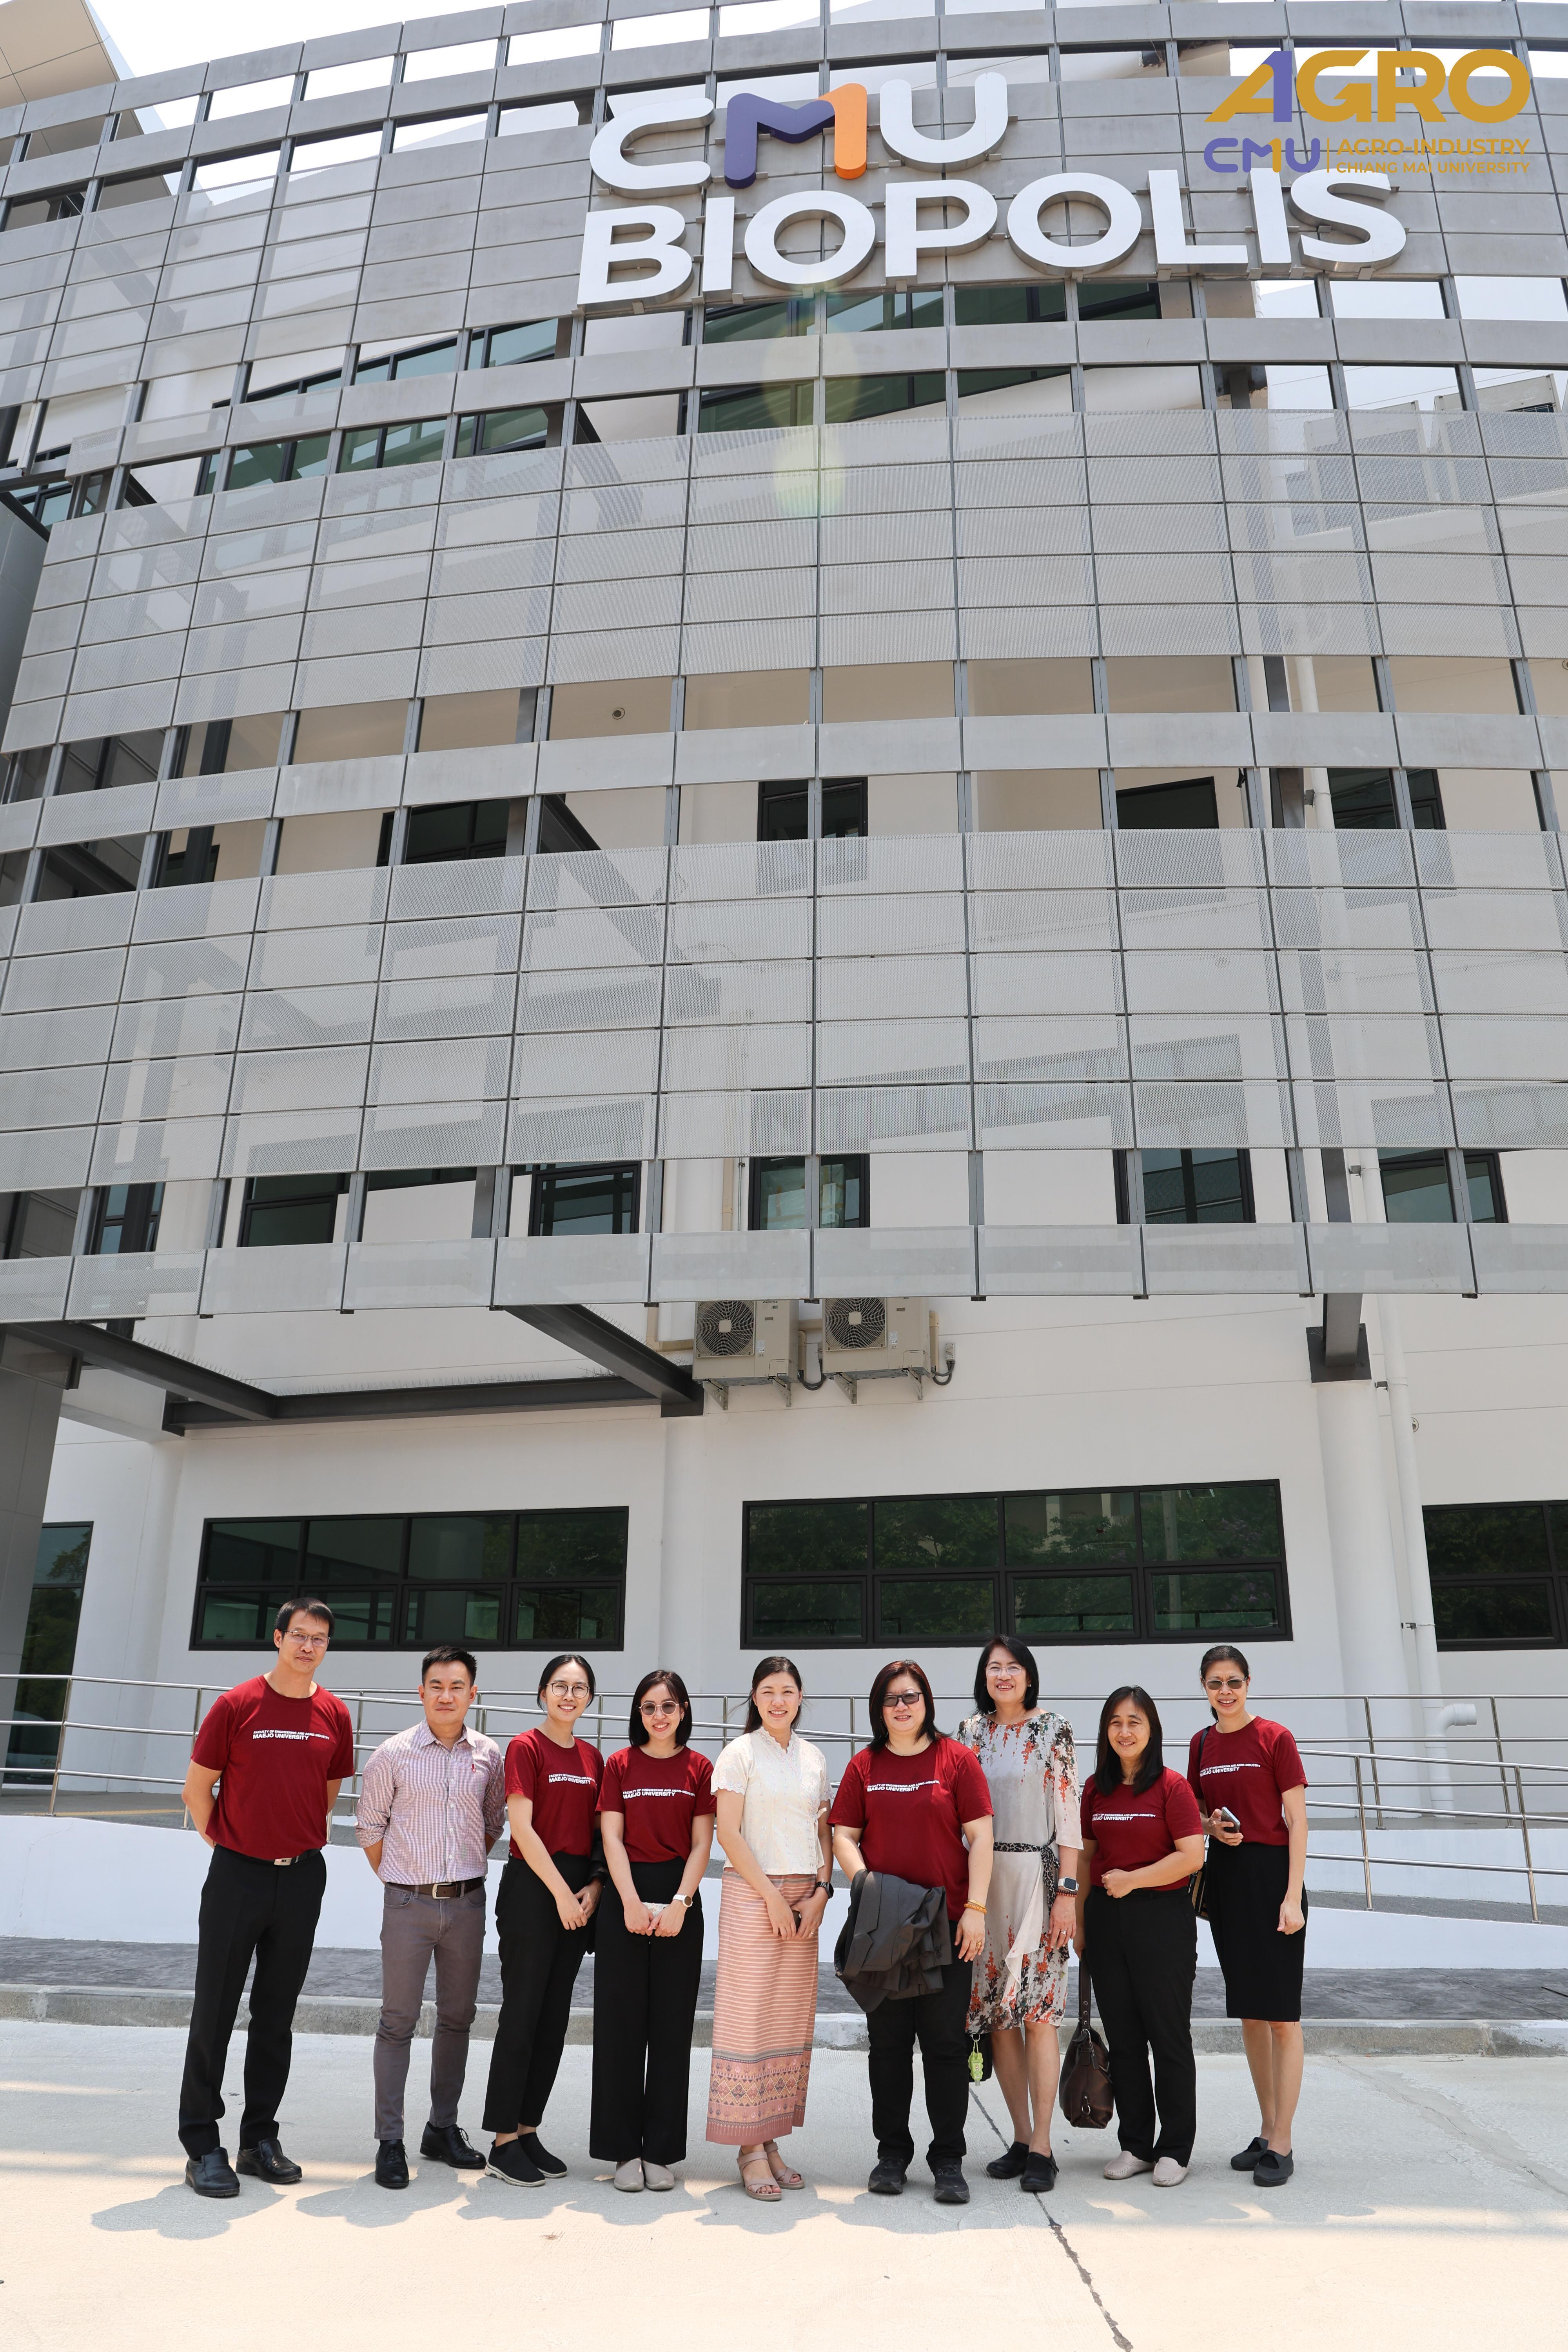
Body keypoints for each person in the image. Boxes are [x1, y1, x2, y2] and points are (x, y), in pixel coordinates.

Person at [177, 1598, 355, 2197]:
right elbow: (197, 1790)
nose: (308, 1647)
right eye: (299, 1635)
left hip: (301, 1877)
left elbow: (326, 1791)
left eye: (319, 1638)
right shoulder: (237, 1705)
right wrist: (232, 1844)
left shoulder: (335, 1713)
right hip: (238, 1877)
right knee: (215, 2011)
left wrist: (285, 1843)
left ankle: (259, 2140)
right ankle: (202, 2144)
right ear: (278, 1638)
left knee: (276, 2016)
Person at [831, 1658, 994, 2207]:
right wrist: (868, 1887)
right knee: (889, 2047)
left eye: (911, 1697)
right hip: (885, 1929)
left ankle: (948, 2160)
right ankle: (892, 2156)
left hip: (947, 1925)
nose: (902, 1707)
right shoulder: (864, 1766)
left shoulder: (957, 1760)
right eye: (891, 1699)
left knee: (945, 2047)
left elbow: (982, 1837)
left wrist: (976, 1908)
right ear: (879, 1709)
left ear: (927, 1701)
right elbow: (844, 1835)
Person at [355, 1643, 506, 2189]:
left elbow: (492, 1822)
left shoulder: (488, 1755)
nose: (447, 1695)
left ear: (473, 1694)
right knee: (397, 2021)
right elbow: (369, 1828)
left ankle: (442, 2128)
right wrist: (403, 1879)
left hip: (466, 1904)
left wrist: (456, 1876)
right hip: (407, 1904)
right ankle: (389, 2141)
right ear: (421, 1692)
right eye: (436, 1686)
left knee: (458, 2017)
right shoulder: (392, 1754)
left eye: (457, 1686)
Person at [956, 1635, 1082, 2194]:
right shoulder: (968, 1733)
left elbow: (1069, 1815)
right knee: (998, 2018)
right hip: (984, 1887)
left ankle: (1044, 2147)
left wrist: (1068, 1894)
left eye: (1012, 1667)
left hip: (1038, 1879)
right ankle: (1020, 2136)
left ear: (1029, 1676)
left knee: (1038, 2015)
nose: (1003, 1675)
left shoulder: (1053, 1729)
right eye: (993, 1667)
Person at [707, 1654, 833, 2202]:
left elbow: (823, 1832)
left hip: (806, 1896)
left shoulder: (814, 1758)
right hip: (753, 1894)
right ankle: (748, 2148)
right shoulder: (738, 1754)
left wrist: (822, 1891)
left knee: (787, 2022)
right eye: (767, 1692)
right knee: (748, 2020)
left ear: (800, 1698)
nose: (778, 1701)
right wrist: (772, 1899)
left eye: (787, 1691)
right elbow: (728, 1834)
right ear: (754, 1699)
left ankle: (771, 2137)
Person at [1187, 1644, 1308, 2189]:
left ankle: (1283, 2140)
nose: (1225, 1691)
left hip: (1272, 1876)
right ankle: (1266, 2129)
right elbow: (1192, 1810)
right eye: (1216, 1683)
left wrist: (1292, 1896)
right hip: (1228, 1880)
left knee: (1282, 2015)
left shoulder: (1274, 1738)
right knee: (1251, 2015)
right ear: (1204, 1688)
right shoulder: (1201, 1744)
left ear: (1248, 1683)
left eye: (1233, 1681)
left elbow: (1297, 1821)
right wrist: (1210, 1827)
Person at [1074, 1686, 1205, 2189]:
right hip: (1106, 1921)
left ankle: (1175, 2148)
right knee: (1125, 2040)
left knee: (1168, 2036)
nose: (1124, 1731)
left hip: (1162, 1920)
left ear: (1151, 1730)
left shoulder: (1172, 1787)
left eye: (1135, 1722)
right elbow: (1086, 1858)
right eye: (1115, 1722)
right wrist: (1080, 1924)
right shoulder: (1095, 1788)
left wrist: (1133, 1880)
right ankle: (1136, 2145)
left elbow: (1191, 1856)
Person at [591, 1669, 715, 2192]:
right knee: (619, 2029)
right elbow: (612, 1838)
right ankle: (623, 2151)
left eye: (668, 1706)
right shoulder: (619, 1764)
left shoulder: (700, 1767)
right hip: (626, 1898)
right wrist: (628, 1901)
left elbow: (703, 1843)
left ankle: (661, 2151)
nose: (659, 1716)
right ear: (637, 1713)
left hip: (680, 1899)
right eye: (649, 1707)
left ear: (683, 1711)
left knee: (671, 2030)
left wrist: (681, 1903)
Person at [481, 1652, 603, 2185]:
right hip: (535, 1888)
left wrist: (593, 1888)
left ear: (590, 1698)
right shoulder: (526, 1748)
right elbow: (523, 1829)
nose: (568, 1696)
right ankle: (502, 2140)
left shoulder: (594, 1758)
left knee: (554, 2019)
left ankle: (528, 2129)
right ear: (542, 1693)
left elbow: (600, 1833)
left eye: (579, 1688)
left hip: (577, 1890)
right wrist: (561, 1895)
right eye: (559, 1686)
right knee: (522, 2013)